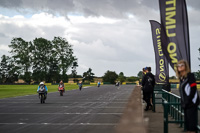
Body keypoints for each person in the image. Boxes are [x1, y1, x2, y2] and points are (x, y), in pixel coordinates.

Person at [176, 60, 199, 133]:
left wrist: (188, 101)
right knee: (187, 125)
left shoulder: (190, 76)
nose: (180, 67)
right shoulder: (182, 78)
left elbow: (193, 89)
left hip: (191, 103)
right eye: (178, 66)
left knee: (192, 126)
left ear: (186, 66)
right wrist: (183, 102)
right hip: (185, 104)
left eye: (182, 65)